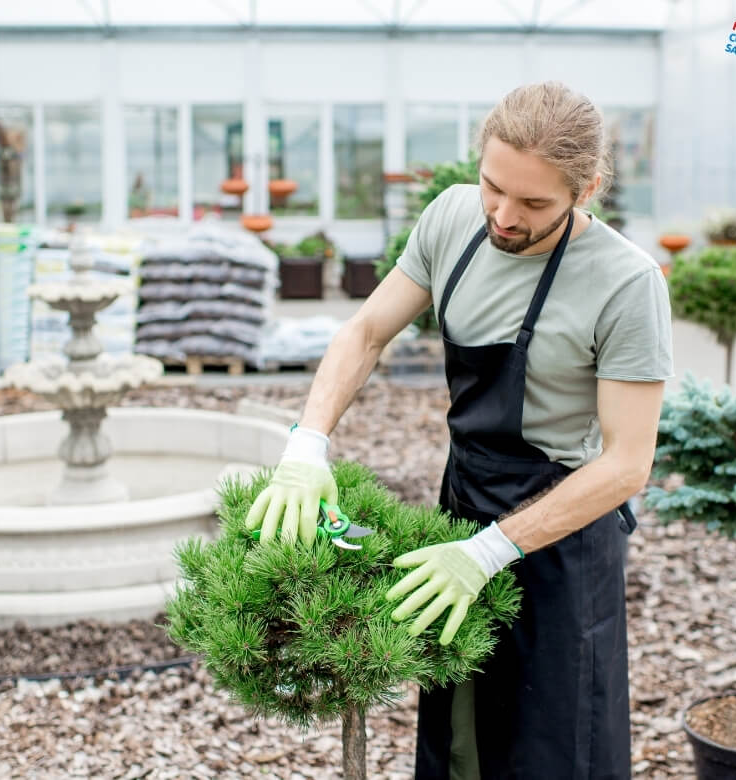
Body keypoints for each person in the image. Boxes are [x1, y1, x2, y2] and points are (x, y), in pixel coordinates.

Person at [246, 81, 674, 779]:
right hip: (463, 504)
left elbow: (627, 465)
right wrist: (307, 443)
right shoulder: (451, 219)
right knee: (459, 742)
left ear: (587, 188)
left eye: (533, 203)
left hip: (562, 537)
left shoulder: (626, 284)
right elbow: (365, 333)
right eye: (493, 187)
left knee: (553, 745)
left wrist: (488, 553)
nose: (504, 216)